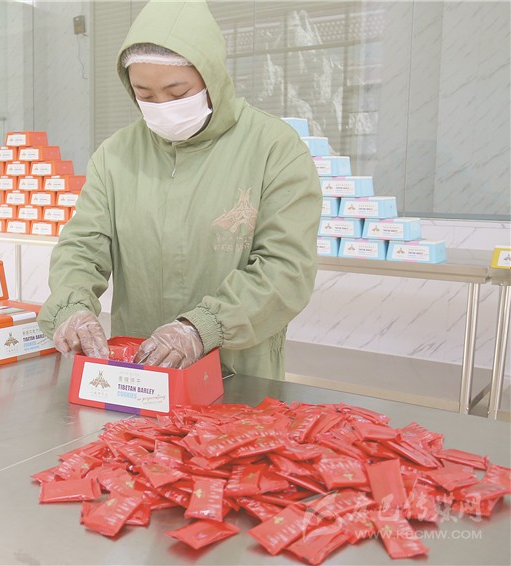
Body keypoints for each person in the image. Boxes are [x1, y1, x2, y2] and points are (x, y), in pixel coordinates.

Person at [37, 0, 321, 380]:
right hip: (139, 374)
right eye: (145, 95)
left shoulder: (273, 148)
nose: (162, 106)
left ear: (211, 77)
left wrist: (201, 328)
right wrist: (72, 306)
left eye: (177, 92)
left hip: (238, 375)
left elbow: (285, 269)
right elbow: (82, 246)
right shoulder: (116, 155)